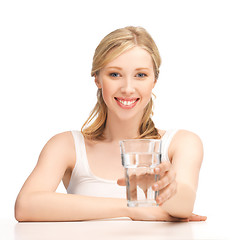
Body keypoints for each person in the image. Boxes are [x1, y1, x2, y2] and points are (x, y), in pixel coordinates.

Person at [15, 26, 206, 222]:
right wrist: (130, 208)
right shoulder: (66, 145)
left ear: (154, 80)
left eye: (141, 75)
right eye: (115, 74)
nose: (128, 88)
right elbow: (26, 205)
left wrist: (171, 188)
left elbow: (183, 208)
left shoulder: (181, 142)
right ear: (97, 78)